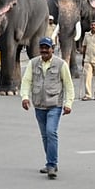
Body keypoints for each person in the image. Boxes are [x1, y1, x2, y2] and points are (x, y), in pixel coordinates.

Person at [21, 37, 74, 179]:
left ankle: (51, 164)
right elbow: (26, 81)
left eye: (47, 48)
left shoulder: (61, 64)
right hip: (39, 105)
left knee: (51, 132)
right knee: (45, 135)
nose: (44, 50)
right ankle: (50, 161)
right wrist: (25, 97)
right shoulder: (33, 63)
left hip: (54, 104)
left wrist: (68, 103)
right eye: (42, 47)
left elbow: (68, 85)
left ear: (52, 49)